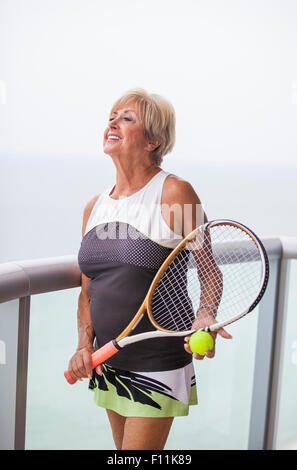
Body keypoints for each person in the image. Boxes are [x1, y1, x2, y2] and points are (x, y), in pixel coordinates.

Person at [66, 88, 231, 450]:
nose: (113, 122)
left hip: (157, 360)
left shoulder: (176, 193)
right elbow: (88, 291)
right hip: (108, 359)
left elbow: (209, 270)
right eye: (112, 116)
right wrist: (83, 345)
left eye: (127, 118)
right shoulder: (94, 206)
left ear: (153, 140)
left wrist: (206, 313)